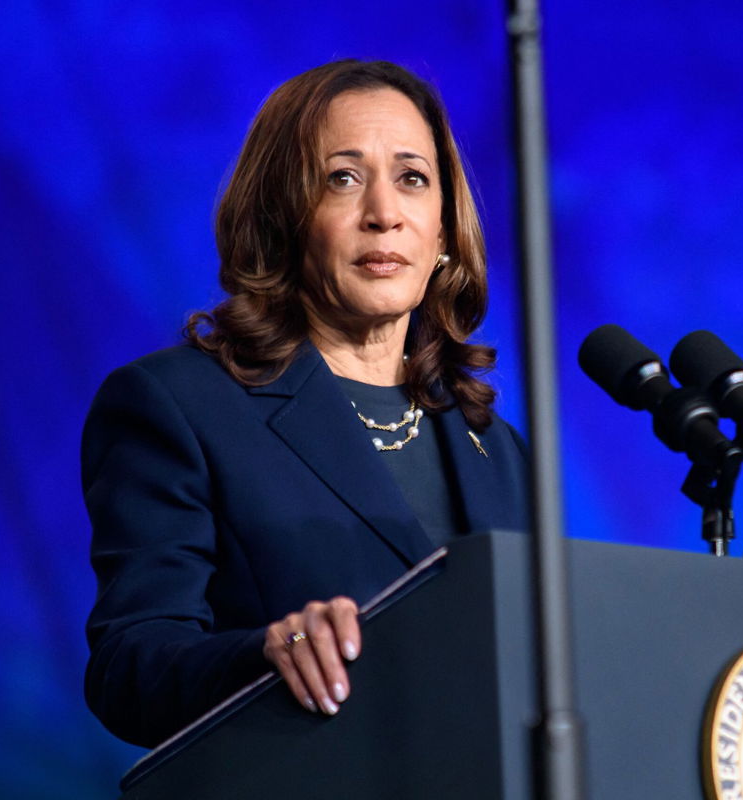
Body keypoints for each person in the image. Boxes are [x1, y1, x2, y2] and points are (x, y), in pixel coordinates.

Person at [82, 60, 529, 749]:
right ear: (282, 217)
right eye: (342, 179)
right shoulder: (177, 407)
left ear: (443, 230)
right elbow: (129, 667)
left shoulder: (493, 446)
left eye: (413, 179)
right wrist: (263, 653)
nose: (385, 214)